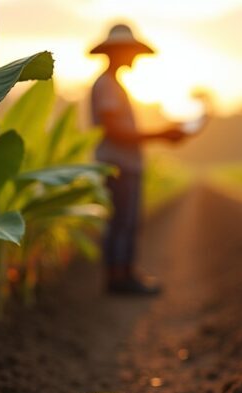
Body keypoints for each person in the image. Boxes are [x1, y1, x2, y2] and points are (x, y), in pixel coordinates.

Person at [89, 24, 186, 295]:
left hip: (124, 164)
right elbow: (114, 131)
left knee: (125, 222)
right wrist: (161, 134)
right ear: (116, 52)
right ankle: (119, 278)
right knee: (122, 222)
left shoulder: (114, 84)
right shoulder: (107, 85)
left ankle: (124, 273)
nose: (134, 58)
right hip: (118, 165)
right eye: (130, 52)